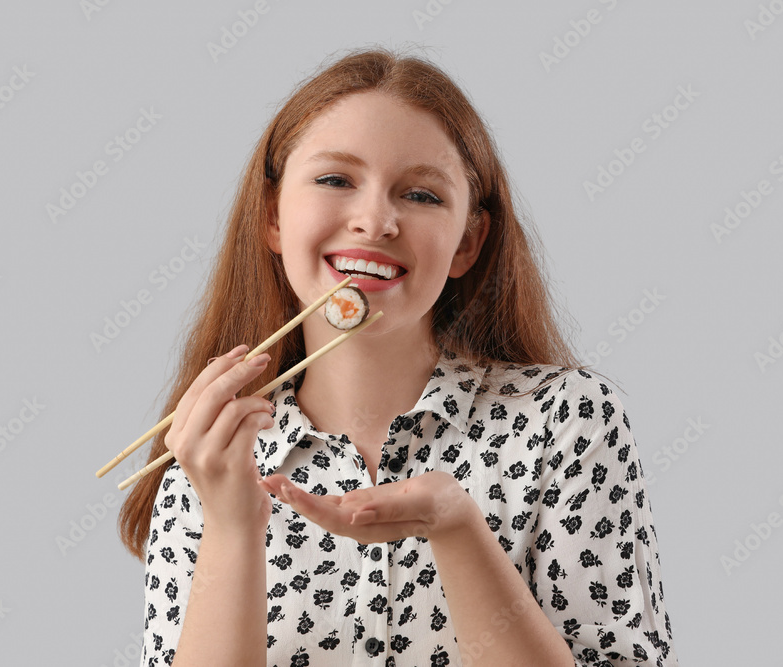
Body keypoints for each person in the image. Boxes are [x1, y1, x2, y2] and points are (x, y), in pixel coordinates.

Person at [119, 46, 679, 667]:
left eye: (421, 195)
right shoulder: (210, 460)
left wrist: (457, 528)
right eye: (335, 180)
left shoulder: (566, 423)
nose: (375, 220)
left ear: (468, 242)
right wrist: (230, 528)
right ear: (272, 216)